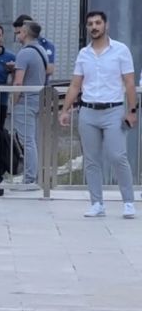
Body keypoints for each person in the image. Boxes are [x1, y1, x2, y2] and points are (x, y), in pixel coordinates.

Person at [60, 11, 138, 219]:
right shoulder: (84, 54)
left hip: (113, 110)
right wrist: (65, 109)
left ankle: (129, 202)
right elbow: (76, 84)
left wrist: (132, 110)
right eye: (90, 24)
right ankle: (97, 203)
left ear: (106, 25)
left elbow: (129, 82)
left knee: (117, 156)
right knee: (92, 160)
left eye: (97, 23)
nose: (94, 27)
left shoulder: (120, 50)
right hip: (88, 111)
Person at [10, 21, 48, 192]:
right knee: (33, 140)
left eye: (19, 32)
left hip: (25, 101)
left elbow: (19, 81)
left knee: (27, 141)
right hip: (38, 100)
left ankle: (29, 179)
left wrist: (14, 101)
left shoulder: (24, 54)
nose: (17, 34)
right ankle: (34, 176)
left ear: (24, 32)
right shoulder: (41, 50)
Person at [12, 14, 57, 80]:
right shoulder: (23, 46)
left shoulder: (45, 45)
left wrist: (23, 68)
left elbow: (49, 69)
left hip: (40, 87)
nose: (17, 36)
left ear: (26, 31)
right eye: (16, 33)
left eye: (19, 32)